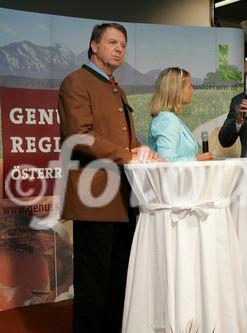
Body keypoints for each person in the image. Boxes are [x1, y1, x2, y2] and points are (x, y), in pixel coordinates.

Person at [58, 23, 161, 333]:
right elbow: (79, 136)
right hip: (95, 197)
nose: (119, 49)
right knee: (94, 284)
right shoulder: (76, 82)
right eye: (112, 42)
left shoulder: (115, 86)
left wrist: (145, 152)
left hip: (122, 197)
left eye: (123, 45)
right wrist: (129, 155)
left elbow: (124, 141)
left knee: (119, 278)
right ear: (94, 46)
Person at [148, 67, 213, 162]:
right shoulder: (168, 120)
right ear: (178, 91)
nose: (192, 90)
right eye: (190, 86)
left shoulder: (168, 118)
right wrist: (196, 159)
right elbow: (166, 160)